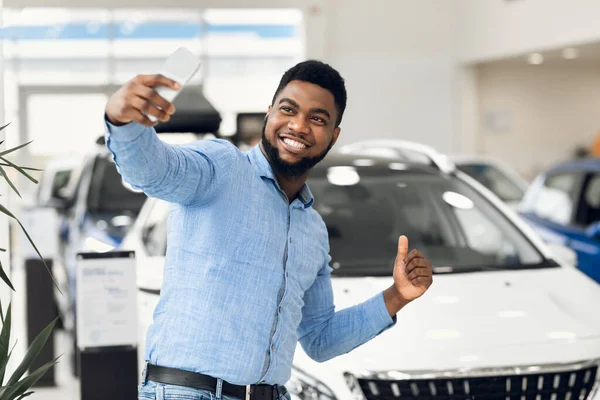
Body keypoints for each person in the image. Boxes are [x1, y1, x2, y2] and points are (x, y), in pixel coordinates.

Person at [104, 60, 433, 400]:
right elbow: (154, 170)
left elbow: (320, 339)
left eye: (317, 118)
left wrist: (397, 296)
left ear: (333, 136)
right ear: (268, 113)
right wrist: (123, 122)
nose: (299, 126)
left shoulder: (313, 230)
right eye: (288, 110)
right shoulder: (221, 167)